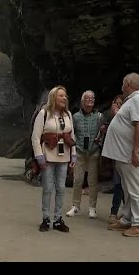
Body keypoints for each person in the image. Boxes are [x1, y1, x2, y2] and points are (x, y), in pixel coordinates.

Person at [102, 73, 139, 237]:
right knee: (127, 188)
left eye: (123, 84)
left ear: (128, 83)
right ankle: (127, 219)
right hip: (124, 155)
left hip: (131, 155)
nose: (122, 87)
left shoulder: (138, 100)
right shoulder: (133, 101)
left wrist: (136, 151)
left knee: (136, 188)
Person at [31, 85, 77, 232]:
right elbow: (35, 137)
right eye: (61, 96)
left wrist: (74, 155)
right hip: (47, 156)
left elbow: (71, 136)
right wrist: (39, 156)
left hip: (64, 156)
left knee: (61, 188)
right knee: (48, 188)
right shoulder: (44, 114)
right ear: (53, 98)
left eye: (65, 96)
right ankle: (46, 218)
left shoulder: (68, 114)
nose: (64, 98)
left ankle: (58, 219)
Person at [66, 90, 104, 219]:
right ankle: (75, 206)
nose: (90, 100)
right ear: (82, 101)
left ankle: (92, 208)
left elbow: (102, 133)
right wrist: (73, 150)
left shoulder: (99, 116)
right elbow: (72, 134)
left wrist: (99, 144)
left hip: (94, 152)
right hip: (80, 151)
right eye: (87, 98)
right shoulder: (75, 117)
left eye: (92, 98)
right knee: (78, 180)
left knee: (93, 181)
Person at [106, 95, 125, 224]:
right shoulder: (110, 117)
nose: (118, 105)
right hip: (115, 154)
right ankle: (114, 212)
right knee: (118, 184)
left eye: (121, 103)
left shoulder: (126, 116)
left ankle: (127, 212)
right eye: (116, 103)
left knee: (127, 186)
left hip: (126, 155)